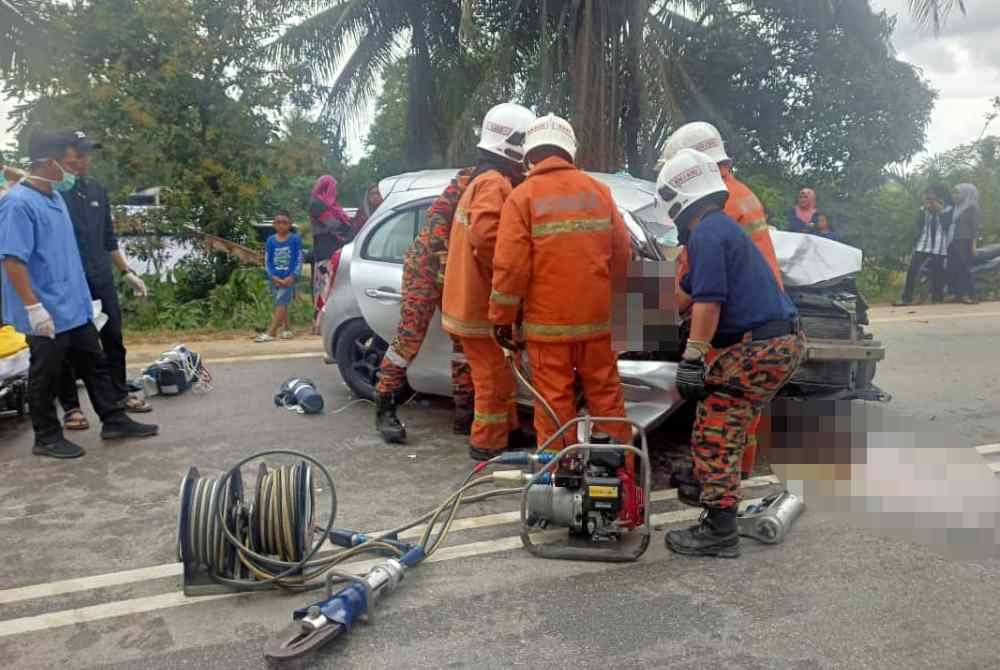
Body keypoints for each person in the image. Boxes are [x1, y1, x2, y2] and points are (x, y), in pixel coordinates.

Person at [656, 148, 805, 557]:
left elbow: (708, 304)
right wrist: (639, 309)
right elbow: (684, 296)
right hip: (777, 340)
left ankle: (720, 530)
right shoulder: (718, 228)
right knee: (728, 421)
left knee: (715, 428)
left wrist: (692, 357)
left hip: (760, 345)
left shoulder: (707, 233)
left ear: (678, 198)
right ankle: (709, 484)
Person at [0, 129, 158, 458]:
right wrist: (33, 308)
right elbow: (12, 260)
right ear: (48, 162)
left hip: (73, 304)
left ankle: (113, 419)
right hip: (45, 309)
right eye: (69, 163)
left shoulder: (54, 197)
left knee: (95, 362)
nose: (74, 169)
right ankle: (46, 436)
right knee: (47, 373)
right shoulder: (18, 204)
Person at [489, 113, 633, 458]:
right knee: (607, 399)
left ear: (529, 156)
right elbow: (623, 255)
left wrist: (502, 318)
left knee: (553, 404)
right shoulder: (600, 191)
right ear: (569, 152)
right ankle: (619, 477)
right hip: (598, 325)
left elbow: (510, 268)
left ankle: (558, 482)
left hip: (547, 328)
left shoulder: (522, 197)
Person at [660, 121, 783, 482]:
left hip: (738, 320)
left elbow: (699, 283)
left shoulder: (715, 209)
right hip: (757, 307)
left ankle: (718, 478)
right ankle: (728, 473)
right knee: (739, 408)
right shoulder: (737, 192)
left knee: (722, 407)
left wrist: (645, 316)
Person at [442, 102, 537, 461]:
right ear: (512, 147)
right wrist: (515, 275)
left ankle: (507, 429)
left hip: (467, 301)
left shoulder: (479, 181)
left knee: (498, 373)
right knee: (492, 379)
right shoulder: (494, 184)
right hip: (478, 306)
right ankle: (487, 442)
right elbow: (489, 240)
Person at [56, 131, 151, 432]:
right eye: (78, 155)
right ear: (63, 157)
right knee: (70, 348)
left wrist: (126, 272)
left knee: (113, 339)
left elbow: (108, 239)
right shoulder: (54, 194)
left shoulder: (97, 190)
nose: (84, 160)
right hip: (71, 281)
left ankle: (119, 395)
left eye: (87, 155)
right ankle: (71, 408)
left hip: (101, 277)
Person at [374, 168, 477, 444]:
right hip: (427, 265)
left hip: (457, 266)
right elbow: (437, 224)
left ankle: (465, 414)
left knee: (464, 339)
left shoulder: (512, 181)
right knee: (409, 336)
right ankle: (385, 406)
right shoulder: (471, 180)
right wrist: (447, 268)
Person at [308, 176, 356, 333]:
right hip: (325, 253)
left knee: (329, 288)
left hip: (332, 252)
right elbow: (335, 226)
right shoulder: (318, 205)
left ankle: (324, 324)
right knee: (324, 288)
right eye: (333, 187)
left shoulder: (329, 206)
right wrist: (349, 228)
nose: (336, 191)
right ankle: (319, 325)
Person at [896, 185, 953, 306]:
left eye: (931, 197)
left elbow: (947, 227)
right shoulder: (923, 210)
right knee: (913, 269)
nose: (928, 200)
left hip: (940, 244)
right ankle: (906, 298)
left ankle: (937, 298)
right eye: (927, 197)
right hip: (924, 243)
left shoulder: (948, 210)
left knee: (938, 271)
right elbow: (919, 227)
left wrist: (939, 211)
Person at [256, 210, 302, 343]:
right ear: (274, 224)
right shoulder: (270, 240)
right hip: (275, 279)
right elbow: (267, 261)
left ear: (290, 224)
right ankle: (287, 328)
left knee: (281, 302)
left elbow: (298, 259)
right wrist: (273, 277)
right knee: (281, 302)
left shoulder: (295, 239)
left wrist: (292, 276)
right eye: (278, 222)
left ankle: (271, 332)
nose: (281, 225)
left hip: (288, 278)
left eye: (285, 222)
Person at [948, 183, 979, 305]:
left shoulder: (972, 207)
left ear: (966, 193)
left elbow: (975, 227)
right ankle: (958, 295)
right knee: (953, 268)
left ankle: (971, 295)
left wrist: (973, 245)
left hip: (965, 241)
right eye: (954, 192)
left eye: (957, 192)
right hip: (953, 241)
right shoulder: (956, 207)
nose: (954, 195)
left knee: (965, 268)